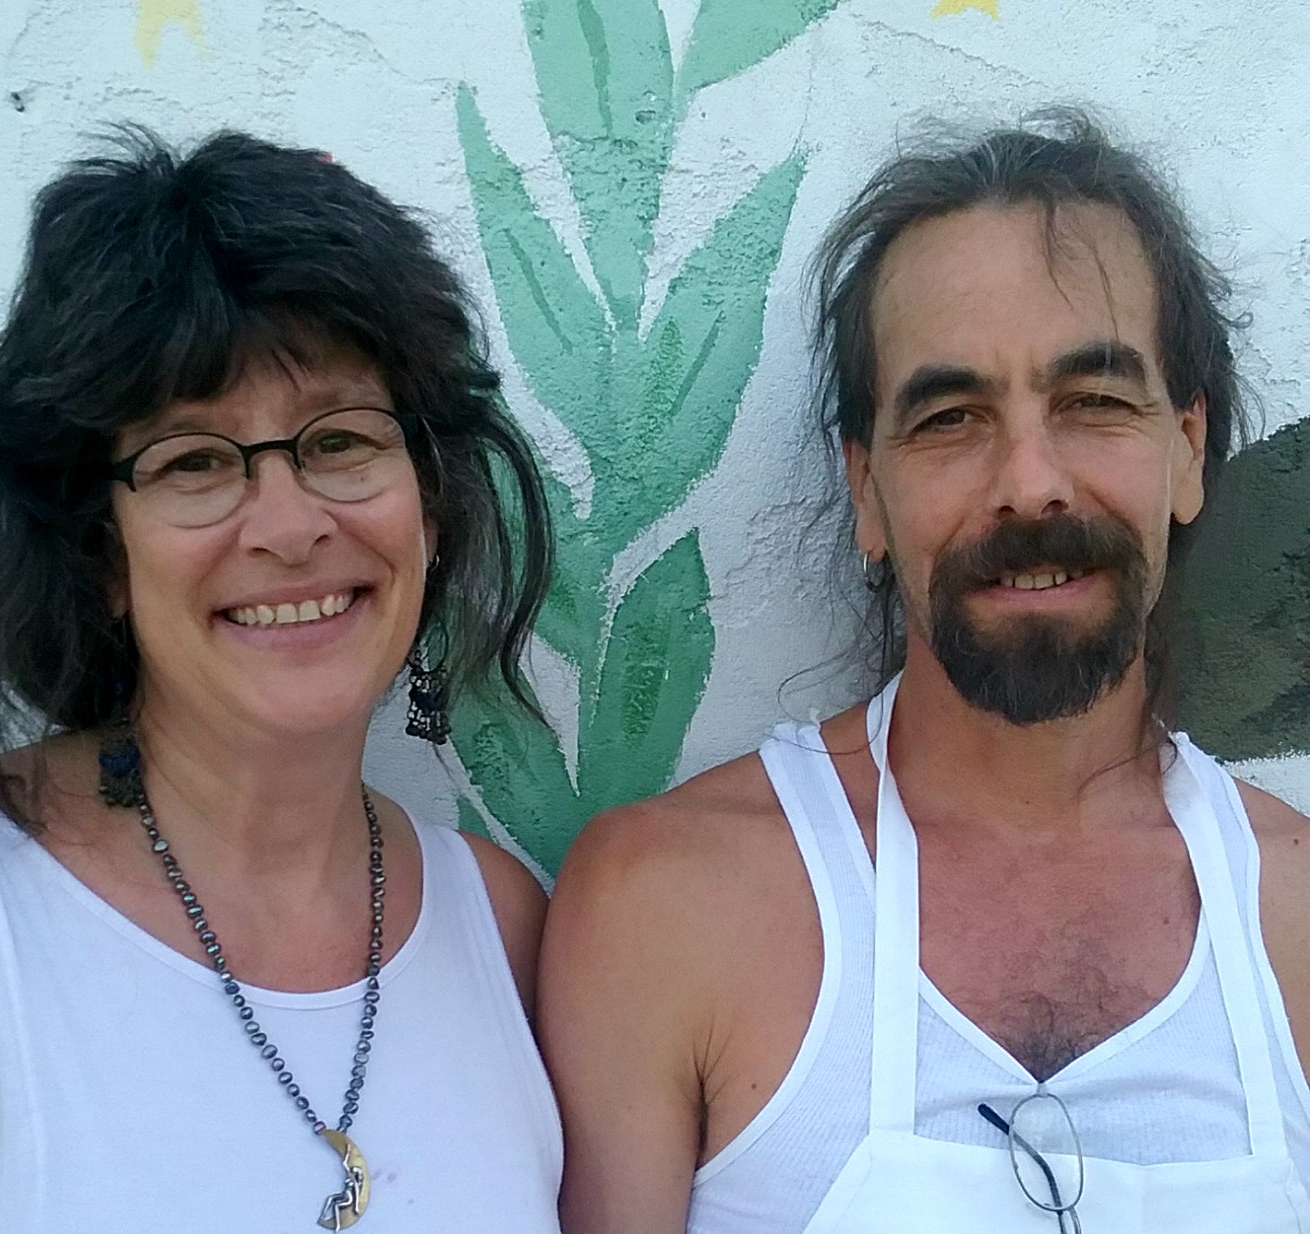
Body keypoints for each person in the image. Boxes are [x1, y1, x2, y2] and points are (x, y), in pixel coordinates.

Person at [539, 111, 1310, 1233]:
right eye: (951, 418)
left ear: (1186, 450)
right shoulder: (665, 905)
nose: (1030, 483)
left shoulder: (1297, 914)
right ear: (867, 490)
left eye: (1094, 403)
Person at [0, 129, 561, 1231]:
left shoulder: (502, 923)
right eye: (194, 460)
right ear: (101, 552)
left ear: (430, 505)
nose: (291, 528)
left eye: (339, 441)